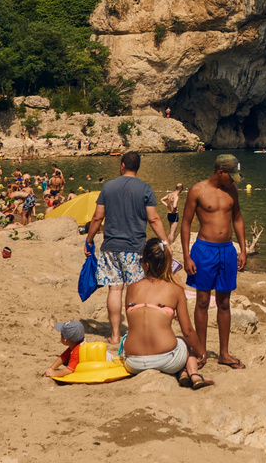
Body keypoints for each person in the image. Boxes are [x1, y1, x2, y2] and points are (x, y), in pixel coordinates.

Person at [84, 151, 170, 351]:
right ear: (137, 167)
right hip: (135, 249)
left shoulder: (108, 187)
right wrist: (165, 242)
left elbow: (97, 217)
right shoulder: (145, 188)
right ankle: (135, 333)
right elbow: (155, 219)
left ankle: (115, 336)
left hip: (111, 247)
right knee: (135, 291)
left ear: (122, 165)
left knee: (115, 289)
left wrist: (89, 240)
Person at [180, 154, 247, 370]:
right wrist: (187, 255)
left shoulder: (232, 190)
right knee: (201, 300)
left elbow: (237, 218)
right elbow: (186, 223)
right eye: (231, 175)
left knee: (224, 303)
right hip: (204, 249)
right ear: (220, 172)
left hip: (227, 250)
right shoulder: (197, 190)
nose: (234, 180)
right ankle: (200, 352)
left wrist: (243, 249)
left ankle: (224, 354)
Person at [122, 238, 210, 385]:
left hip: (133, 362)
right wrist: (201, 354)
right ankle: (193, 373)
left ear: (147, 265)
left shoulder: (131, 288)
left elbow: (133, 325)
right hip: (167, 360)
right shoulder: (175, 290)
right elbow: (187, 330)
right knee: (184, 342)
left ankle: (183, 372)